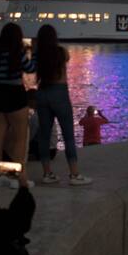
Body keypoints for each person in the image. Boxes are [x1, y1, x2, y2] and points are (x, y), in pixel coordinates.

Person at [33, 25, 92, 186]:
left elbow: (32, 67)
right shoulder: (61, 52)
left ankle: (47, 173)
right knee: (68, 136)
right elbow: (66, 58)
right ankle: (74, 174)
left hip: (42, 92)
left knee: (44, 136)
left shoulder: (37, 54)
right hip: (59, 93)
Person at [0, 22, 35, 188]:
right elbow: (30, 68)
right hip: (16, 95)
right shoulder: (18, 54)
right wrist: (30, 52)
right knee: (19, 138)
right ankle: (16, 178)